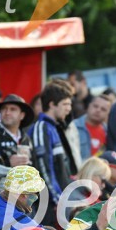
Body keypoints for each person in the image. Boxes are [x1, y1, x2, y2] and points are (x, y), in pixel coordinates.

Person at [30, 81, 78, 219]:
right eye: (65, 104)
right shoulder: (42, 127)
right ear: (51, 104)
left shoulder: (53, 128)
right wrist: (57, 199)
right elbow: (44, 168)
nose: (69, 109)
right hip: (48, 205)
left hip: (58, 200)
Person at [72, 94, 112, 159]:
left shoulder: (108, 133)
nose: (98, 110)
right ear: (89, 106)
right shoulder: (73, 127)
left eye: (103, 109)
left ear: (108, 114)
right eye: (95, 106)